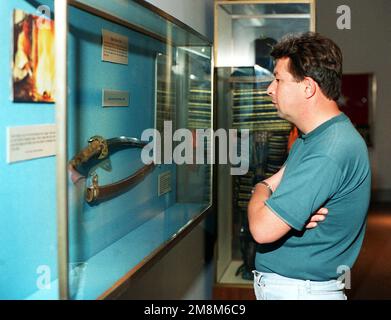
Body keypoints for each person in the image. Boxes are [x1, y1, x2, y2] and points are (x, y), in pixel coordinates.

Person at [248, 32, 371, 300]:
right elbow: (278, 185)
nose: (270, 89)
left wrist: (260, 188)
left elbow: (262, 228)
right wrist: (276, 196)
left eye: (278, 79)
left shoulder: (330, 149)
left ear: (307, 87)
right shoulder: (312, 137)